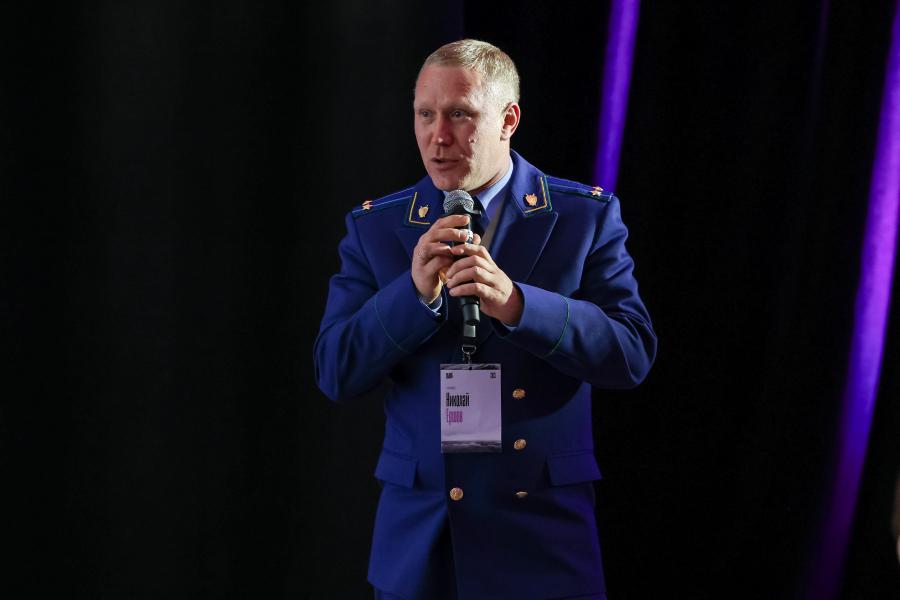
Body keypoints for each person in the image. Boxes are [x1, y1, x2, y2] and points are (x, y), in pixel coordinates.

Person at [314, 39, 657, 600]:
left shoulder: (583, 217)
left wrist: (519, 305)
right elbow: (335, 371)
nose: (437, 136)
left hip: (541, 538)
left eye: (459, 114)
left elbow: (631, 354)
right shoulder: (376, 227)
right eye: (425, 114)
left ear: (508, 120)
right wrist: (413, 294)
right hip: (421, 544)